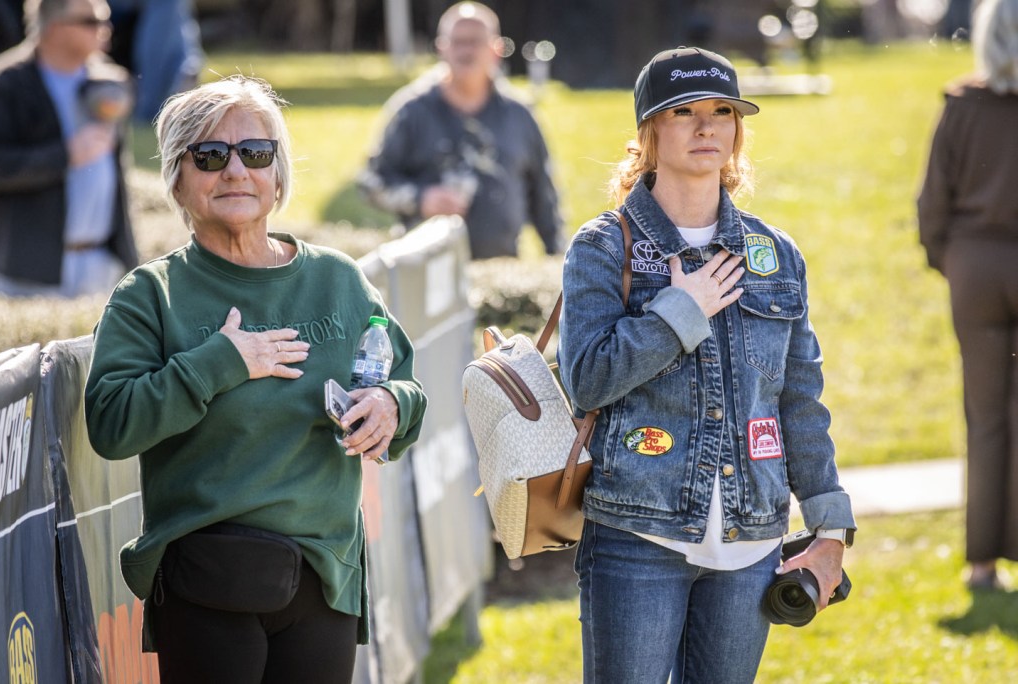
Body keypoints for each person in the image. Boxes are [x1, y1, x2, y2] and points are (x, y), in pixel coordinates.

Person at [84, 75, 427, 683]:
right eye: (210, 156)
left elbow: (404, 385)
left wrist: (391, 405)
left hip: (325, 576)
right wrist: (219, 362)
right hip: (206, 579)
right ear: (177, 178)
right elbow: (111, 424)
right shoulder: (150, 294)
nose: (236, 171)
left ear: (278, 173)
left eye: (256, 153)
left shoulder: (338, 280)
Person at [557, 47, 856, 683]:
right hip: (637, 540)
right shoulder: (603, 246)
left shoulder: (775, 254)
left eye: (722, 112)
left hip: (752, 546)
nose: (705, 127)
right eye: (683, 112)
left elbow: (799, 400)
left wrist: (829, 529)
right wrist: (678, 315)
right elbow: (586, 380)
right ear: (649, 131)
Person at [917, 0, 1018, 592]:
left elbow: (933, 202)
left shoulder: (962, 104)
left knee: (984, 416)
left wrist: (951, 262)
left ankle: (982, 562)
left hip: (974, 270)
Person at [357, 1, 563, 259]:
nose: (466, 51)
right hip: (425, 268)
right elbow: (370, 183)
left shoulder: (519, 115)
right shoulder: (412, 111)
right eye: (457, 42)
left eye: (475, 41)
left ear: (497, 49)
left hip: (500, 268)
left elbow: (545, 199)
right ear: (441, 48)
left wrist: (557, 259)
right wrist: (421, 199)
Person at [0, 0, 138, 296]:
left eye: (105, 20)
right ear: (55, 27)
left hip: (102, 265)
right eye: (91, 21)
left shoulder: (109, 80)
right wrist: (64, 155)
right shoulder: (6, 84)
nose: (105, 29)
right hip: (28, 273)